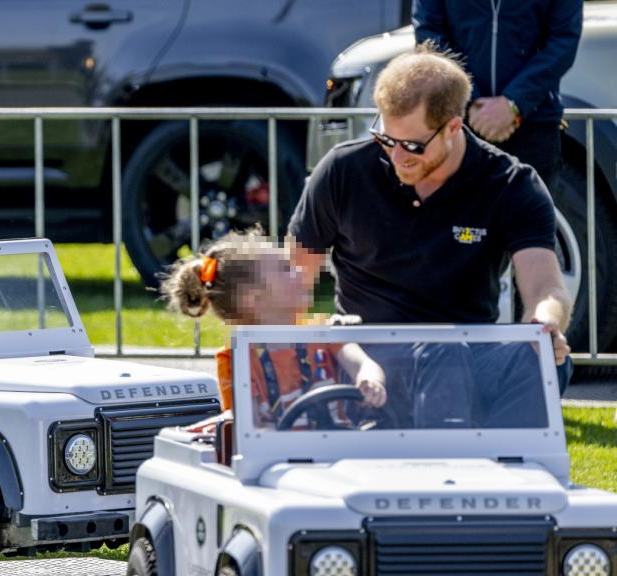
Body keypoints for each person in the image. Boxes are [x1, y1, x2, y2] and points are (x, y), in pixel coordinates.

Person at [288, 46, 572, 428]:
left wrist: (545, 325)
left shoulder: (510, 183)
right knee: (441, 352)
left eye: (414, 146)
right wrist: (337, 339)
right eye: (386, 140)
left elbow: (545, 288)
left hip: (466, 351)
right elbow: (296, 279)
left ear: (454, 127)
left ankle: (514, 472)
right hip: (368, 355)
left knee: (542, 359)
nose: (398, 157)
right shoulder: (342, 170)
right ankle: (450, 465)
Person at [161, 230, 387, 428]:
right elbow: (248, 426)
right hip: (276, 462)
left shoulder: (322, 332)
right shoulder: (237, 360)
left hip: (339, 449)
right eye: (285, 268)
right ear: (255, 299)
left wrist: (370, 380)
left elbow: (362, 363)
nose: (299, 271)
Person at [413, 0, 583, 194]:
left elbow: (563, 40)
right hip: (461, 125)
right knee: (461, 219)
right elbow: (429, 33)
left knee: (527, 220)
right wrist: (468, 98)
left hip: (533, 126)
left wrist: (514, 103)